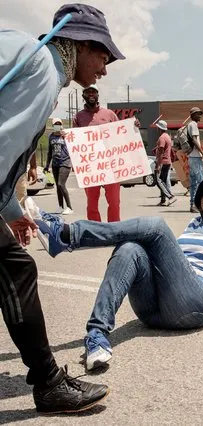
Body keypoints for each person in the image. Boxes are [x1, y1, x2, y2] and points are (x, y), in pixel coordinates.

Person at [33, 177, 203, 371]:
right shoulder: (194, 225)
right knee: (130, 247)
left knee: (155, 226)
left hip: (195, 306)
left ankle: (69, 235)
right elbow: (169, 265)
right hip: (154, 311)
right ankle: (96, 337)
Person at [0, 2, 123, 413]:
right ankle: (49, 385)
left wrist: (11, 210)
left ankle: (49, 381)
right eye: (103, 55)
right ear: (82, 44)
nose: (104, 69)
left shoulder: (26, 54)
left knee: (13, 268)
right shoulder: (43, 73)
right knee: (15, 269)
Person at [73, 84, 121, 222]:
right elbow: (74, 141)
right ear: (84, 96)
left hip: (110, 166)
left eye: (93, 91)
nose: (91, 94)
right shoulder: (79, 117)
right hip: (90, 167)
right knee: (91, 204)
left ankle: (115, 228)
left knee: (114, 202)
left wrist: (133, 128)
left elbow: (121, 134)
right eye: (88, 92)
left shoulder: (109, 114)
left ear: (98, 94)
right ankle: (96, 231)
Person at [44, 118, 73, 214]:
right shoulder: (51, 136)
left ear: (61, 125)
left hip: (65, 162)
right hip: (55, 163)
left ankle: (69, 207)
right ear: (53, 126)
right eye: (55, 124)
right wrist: (47, 166)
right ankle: (61, 206)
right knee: (58, 186)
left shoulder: (66, 135)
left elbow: (74, 148)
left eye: (58, 123)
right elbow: (49, 152)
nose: (57, 125)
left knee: (61, 184)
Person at [186, 107, 203, 213]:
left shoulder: (190, 124)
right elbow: (194, 140)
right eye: (198, 114)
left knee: (194, 183)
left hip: (192, 157)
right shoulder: (193, 124)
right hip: (196, 157)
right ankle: (196, 205)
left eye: (200, 114)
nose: (200, 116)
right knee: (200, 182)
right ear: (193, 115)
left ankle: (193, 205)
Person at [153, 120, 177, 207]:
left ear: (159, 128)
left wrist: (157, 165)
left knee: (159, 181)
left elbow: (161, 152)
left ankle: (170, 197)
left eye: (157, 127)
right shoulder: (167, 136)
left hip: (163, 162)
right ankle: (163, 200)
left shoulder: (161, 138)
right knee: (162, 181)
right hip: (168, 161)